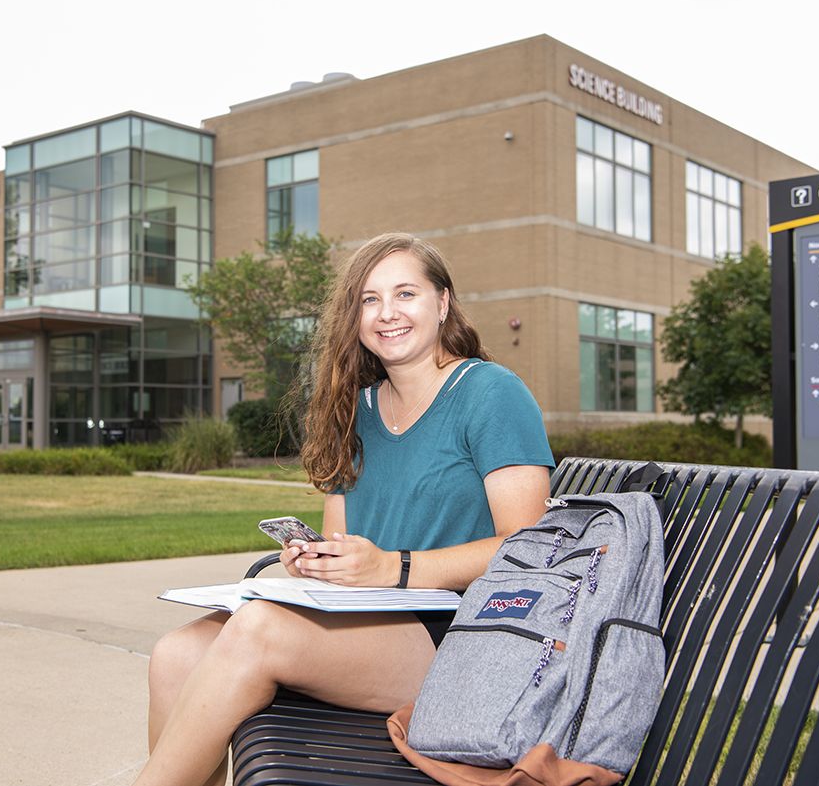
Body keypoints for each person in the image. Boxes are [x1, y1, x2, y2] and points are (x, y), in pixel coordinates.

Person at [137, 233, 555, 786]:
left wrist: (395, 567)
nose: (388, 313)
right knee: (175, 653)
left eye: (406, 293)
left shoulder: (491, 393)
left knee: (258, 629)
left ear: (442, 303)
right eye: (369, 299)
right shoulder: (352, 411)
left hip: (460, 636)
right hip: (366, 621)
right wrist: (318, 563)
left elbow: (528, 548)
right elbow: (343, 545)